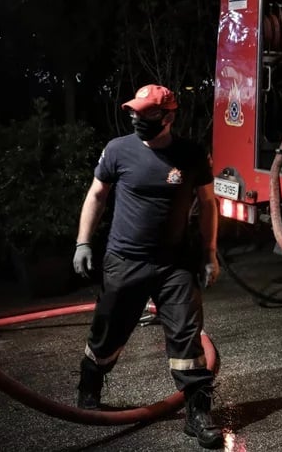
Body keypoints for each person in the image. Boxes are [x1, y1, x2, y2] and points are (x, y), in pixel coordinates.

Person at [71, 84, 223, 448]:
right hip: (125, 260)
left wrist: (209, 253)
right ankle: (90, 383)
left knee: (187, 334)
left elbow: (208, 204)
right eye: (134, 113)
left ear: (168, 117)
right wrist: (83, 243)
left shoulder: (190, 154)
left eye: (147, 114)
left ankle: (198, 413)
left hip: (175, 265)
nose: (138, 119)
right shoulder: (118, 150)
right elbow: (97, 194)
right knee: (109, 330)